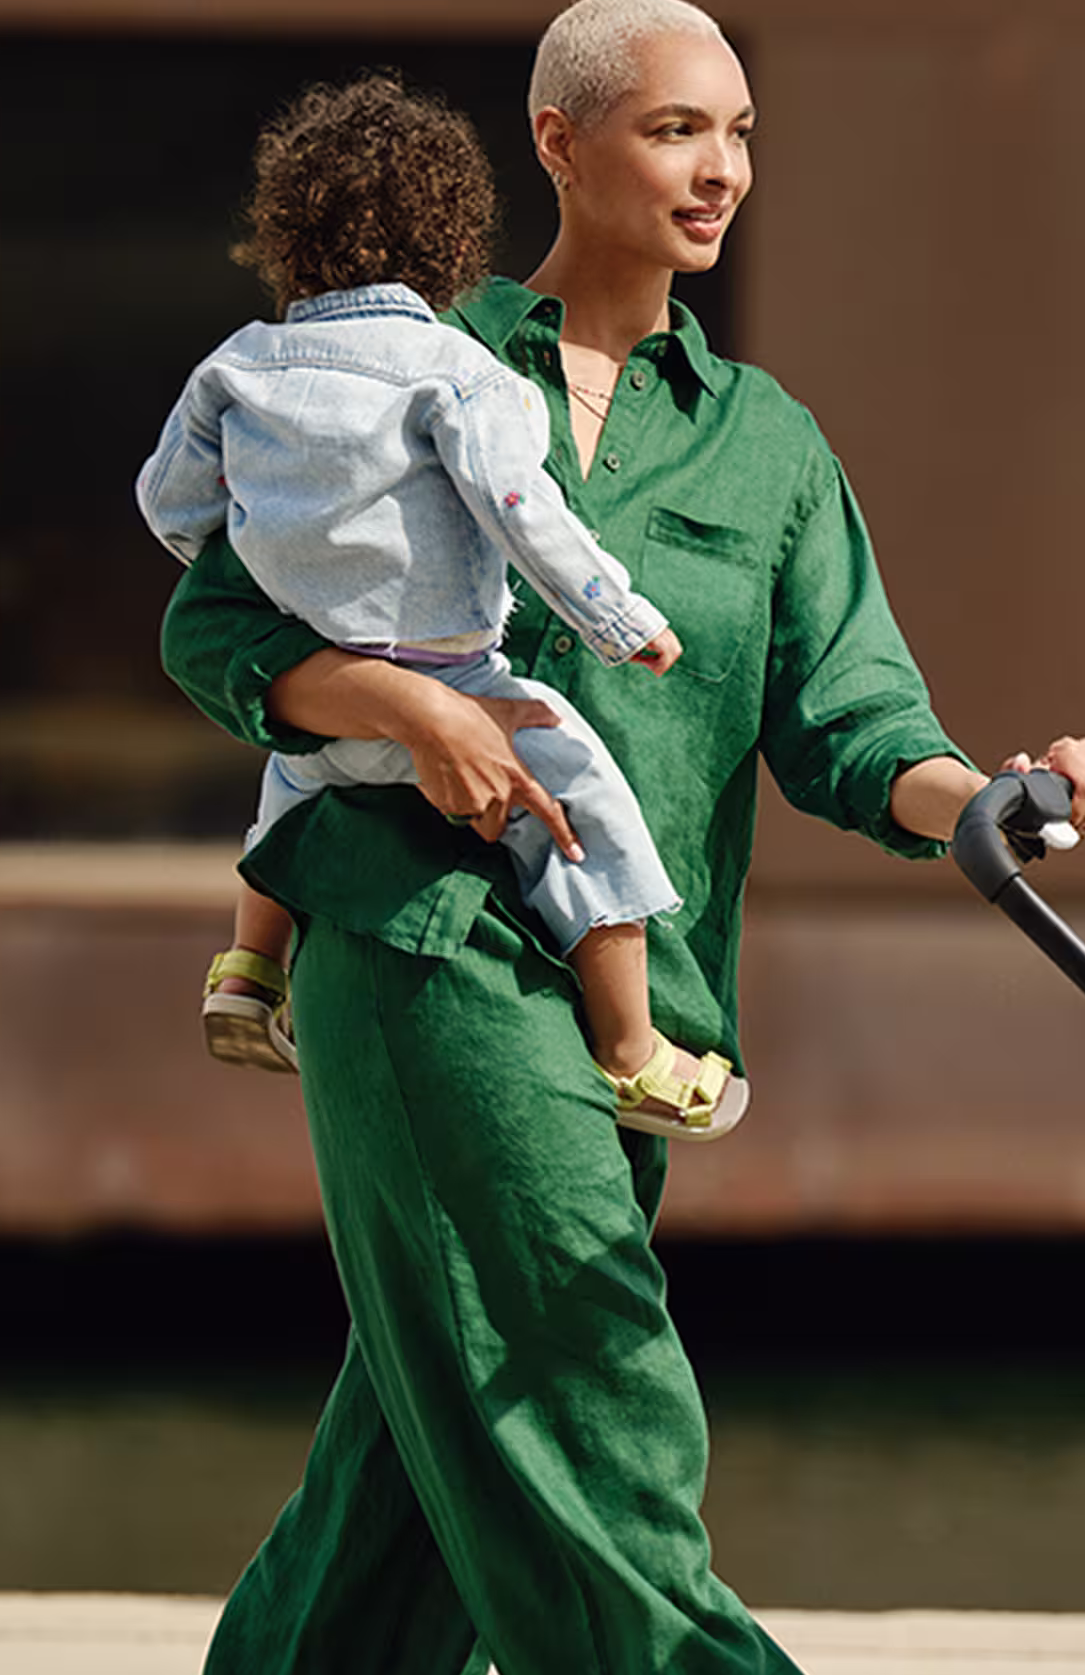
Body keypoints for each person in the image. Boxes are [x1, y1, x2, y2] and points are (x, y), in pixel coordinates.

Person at [68, 0, 1085, 1675]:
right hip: (420, 948)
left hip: (635, 1024)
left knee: (408, 1492)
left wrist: (996, 803)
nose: (719, 167)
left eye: (740, 130)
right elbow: (216, 623)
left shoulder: (769, 447)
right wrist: (405, 706)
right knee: (580, 1401)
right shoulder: (391, 356)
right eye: (671, 128)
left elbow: (854, 723)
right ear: (560, 144)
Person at [140, 72, 741, 1140]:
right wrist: (618, 619)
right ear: (450, 238)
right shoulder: (455, 372)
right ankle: (633, 1051)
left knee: (288, 789)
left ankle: (246, 970)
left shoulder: (238, 366)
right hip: (449, 673)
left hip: (324, 697)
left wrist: (263, 555)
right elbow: (522, 511)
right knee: (585, 809)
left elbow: (168, 502)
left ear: (287, 233)